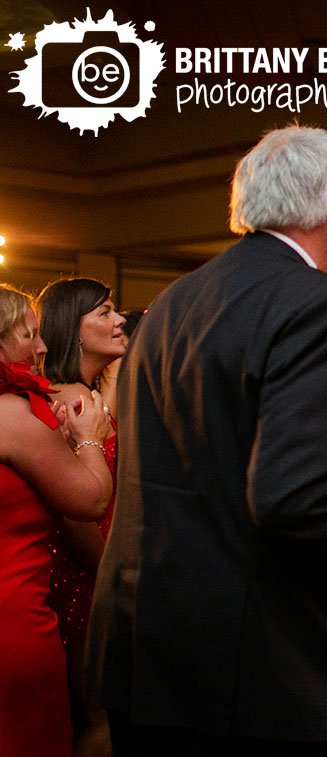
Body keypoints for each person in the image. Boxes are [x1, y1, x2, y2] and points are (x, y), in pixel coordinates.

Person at [83, 125, 327, 756]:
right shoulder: (316, 304)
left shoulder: (175, 302)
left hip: (149, 654)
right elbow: (296, 497)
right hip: (266, 670)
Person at [1, 284, 114, 757]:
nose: (43, 347)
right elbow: (89, 499)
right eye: (28, 334)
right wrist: (88, 439)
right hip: (14, 622)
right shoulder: (10, 414)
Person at [36, 277, 127, 756]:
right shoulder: (69, 400)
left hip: (100, 561)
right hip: (86, 567)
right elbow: (75, 513)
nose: (119, 320)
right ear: (72, 328)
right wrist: (109, 573)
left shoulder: (85, 392)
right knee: (101, 714)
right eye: (105, 313)